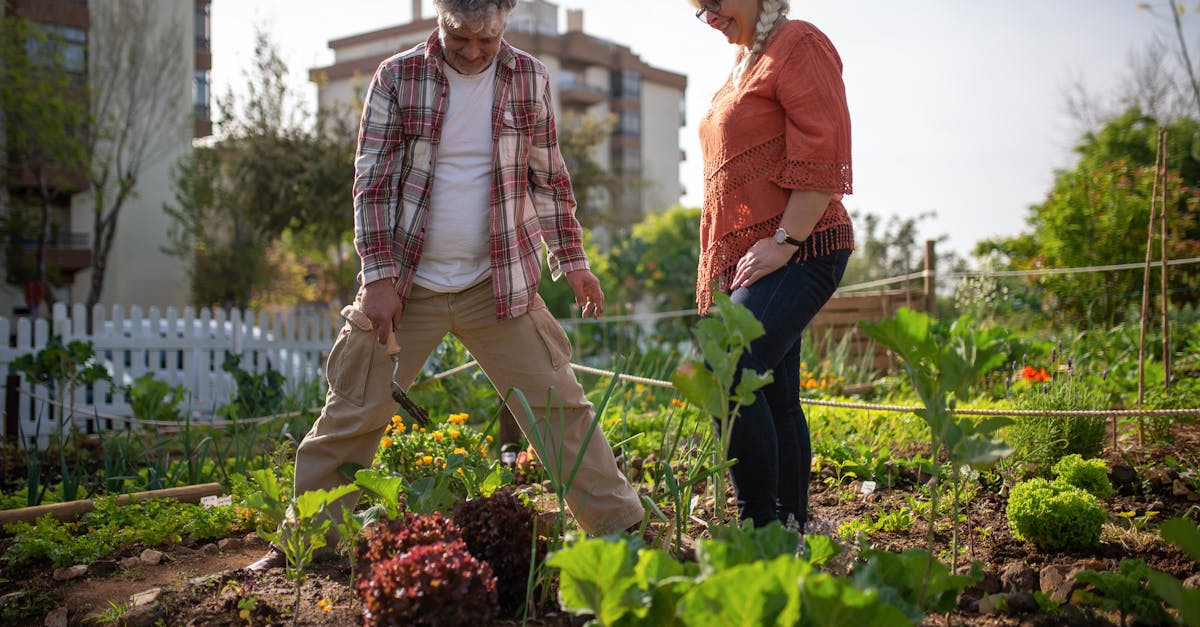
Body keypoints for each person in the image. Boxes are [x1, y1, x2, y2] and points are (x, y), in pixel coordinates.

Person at [248, 0, 645, 571]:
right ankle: (306, 544)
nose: (474, 50)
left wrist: (573, 259)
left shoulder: (529, 76)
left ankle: (619, 529)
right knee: (353, 411)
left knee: (558, 406)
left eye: (487, 38)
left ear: (506, 18)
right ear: (440, 17)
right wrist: (379, 276)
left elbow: (548, 176)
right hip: (407, 288)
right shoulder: (397, 76)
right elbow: (372, 184)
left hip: (498, 284)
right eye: (461, 36)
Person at [689, 0, 854, 531]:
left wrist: (784, 240)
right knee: (774, 394)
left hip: (803, 246)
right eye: (698, 11)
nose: (709, 16)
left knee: (727, 366)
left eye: (713, 2)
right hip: (759, 258)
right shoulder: (743, 64)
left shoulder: (798, 43)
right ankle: (791, 528)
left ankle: (759, 527)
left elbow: (823, 149)